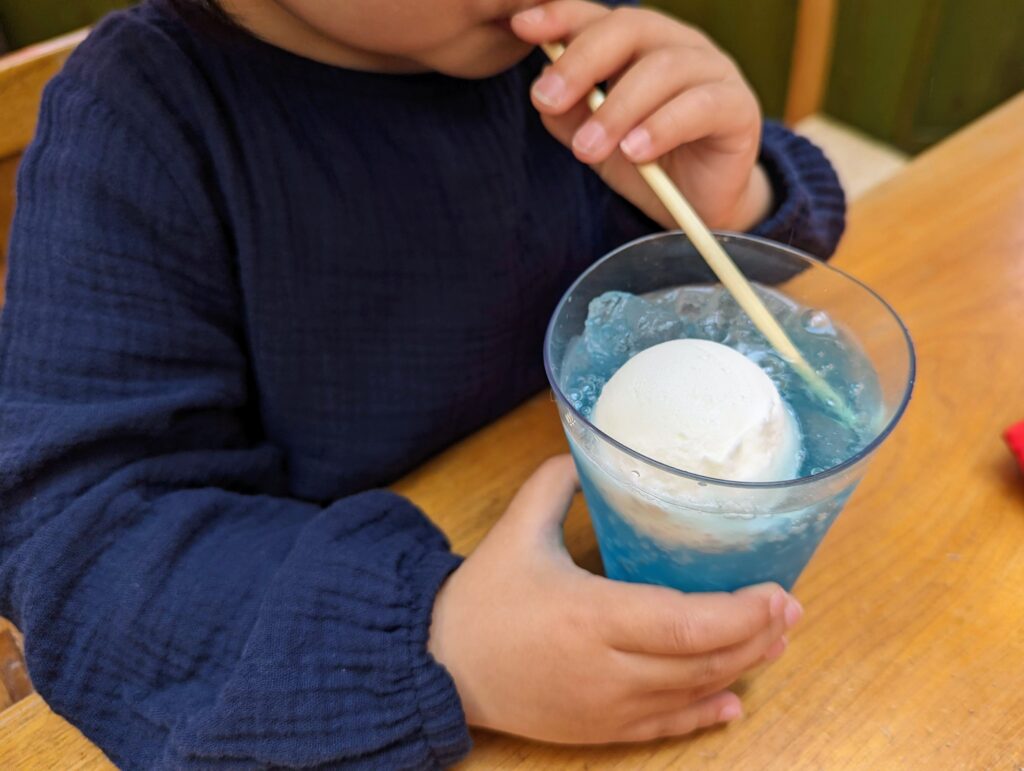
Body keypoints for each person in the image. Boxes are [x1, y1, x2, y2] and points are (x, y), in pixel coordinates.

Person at [0, 0, 844, 767]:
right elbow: (84, 543)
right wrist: (444, 639)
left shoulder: (565, 54)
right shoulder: (139, 118)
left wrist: (724, 208)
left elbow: (628, 305)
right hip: (329, 674)